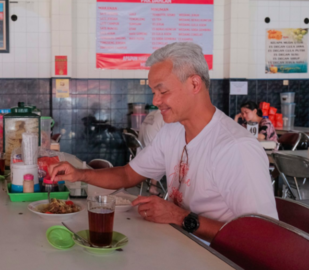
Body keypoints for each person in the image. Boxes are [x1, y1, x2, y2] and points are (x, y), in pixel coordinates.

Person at [49, 42, 278, 242]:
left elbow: (263, 238)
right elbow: (128, 175)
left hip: (219, 258)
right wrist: (79, 174)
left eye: (162, 91)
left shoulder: (235, 149)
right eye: (153, 92)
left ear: (195, 84)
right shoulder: (173, 132)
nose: (155, 101)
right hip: (180, 244)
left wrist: (180, 217)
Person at [137, 109, 165, 196]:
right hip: (152, 157)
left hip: (141, 154)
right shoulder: (166, 117)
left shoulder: (151, 114)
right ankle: (153, 186)